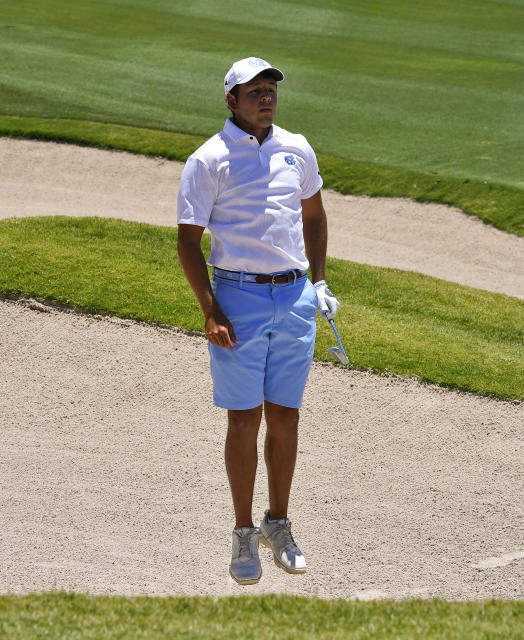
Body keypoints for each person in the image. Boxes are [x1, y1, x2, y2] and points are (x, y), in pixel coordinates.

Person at [176, 57, 339, 585]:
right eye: (254, 91)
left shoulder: (298, 148)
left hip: (293, 297)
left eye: (270, 89)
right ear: (231, 100)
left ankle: (279, 524)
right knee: (244, 420)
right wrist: (210, 310)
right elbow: (187, 241)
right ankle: (243, 533)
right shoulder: (209, 160)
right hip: (238, 298)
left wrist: (318, 282)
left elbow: (313, 216)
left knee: (285, 417)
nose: (265, 98)